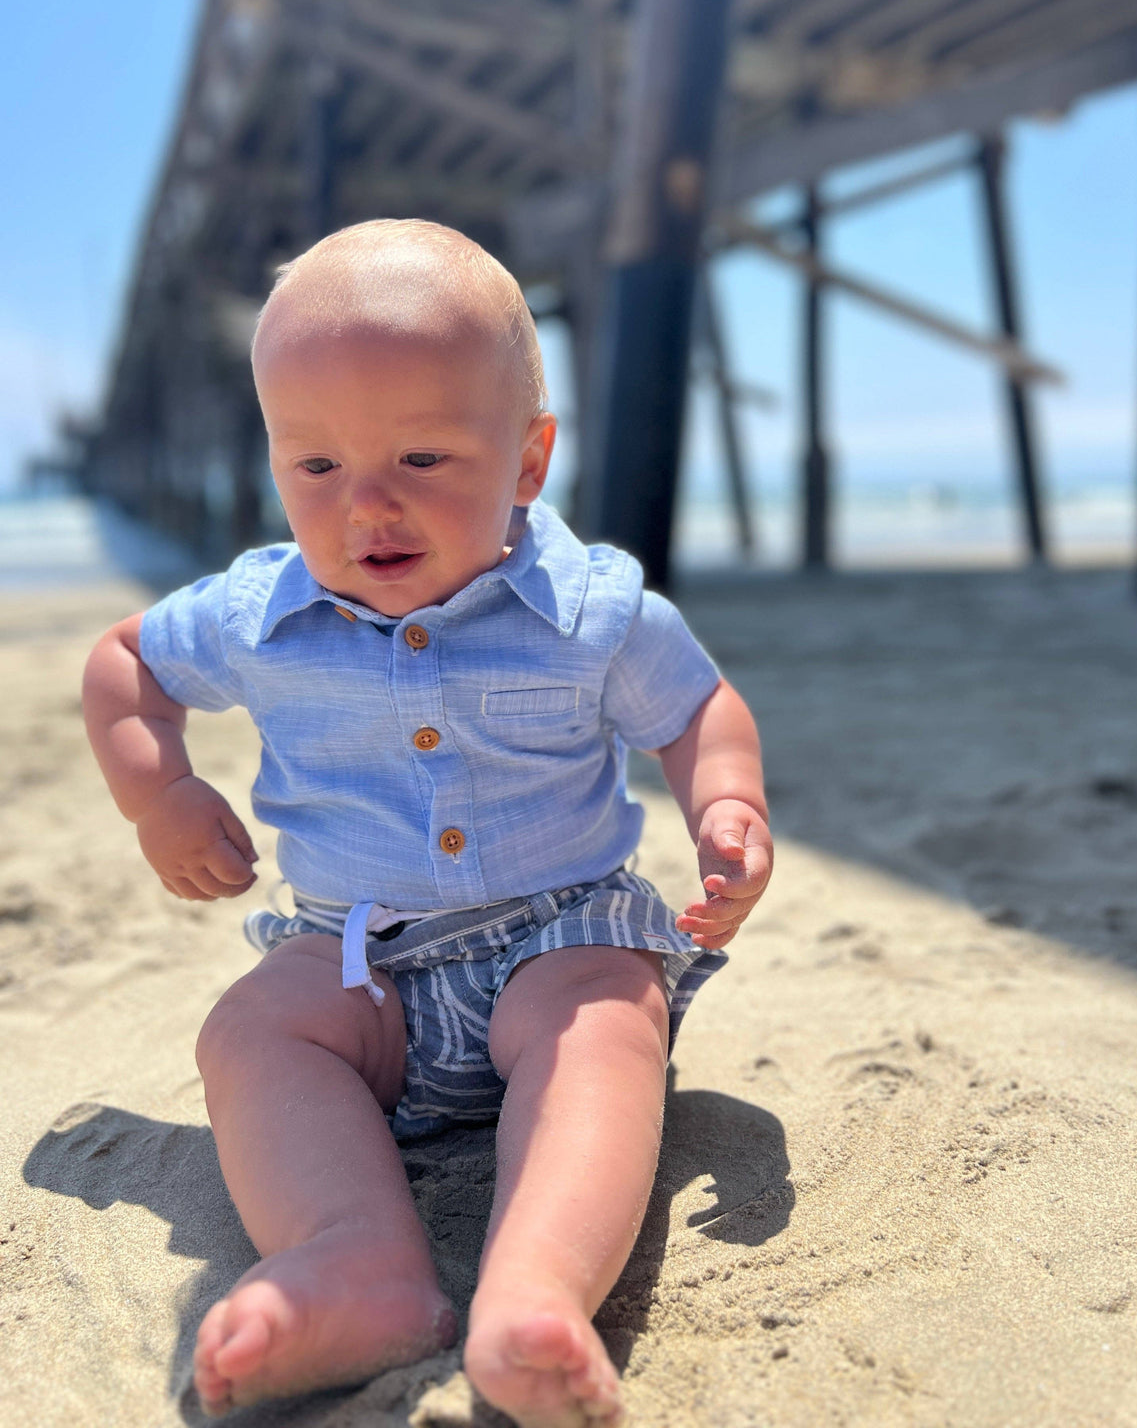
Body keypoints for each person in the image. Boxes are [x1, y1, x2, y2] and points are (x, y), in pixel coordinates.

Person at [82, 220, 772, 1427]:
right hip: (360, 955)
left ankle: (535, 1291)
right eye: (318, 468)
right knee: (251, 1034)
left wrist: (726, 799)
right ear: (276, 459)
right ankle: (358, 1260)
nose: (370, 506)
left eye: (421, 456)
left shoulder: (588, 610)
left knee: (606, 1020)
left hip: (554, 937)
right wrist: (163, 795)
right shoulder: (257, 612)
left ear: (527, 459)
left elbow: (698, 705)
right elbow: (125, 662)